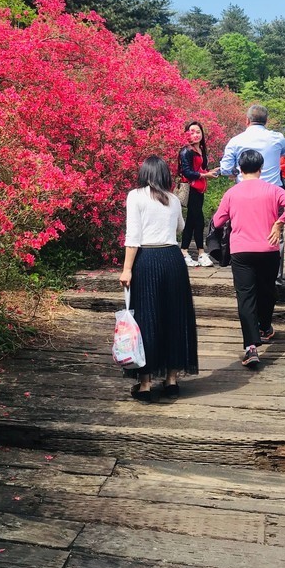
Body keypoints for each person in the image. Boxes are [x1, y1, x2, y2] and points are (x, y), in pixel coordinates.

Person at [212, 149, 285, 366]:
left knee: (246, 297)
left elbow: (217, 221)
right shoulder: (272, 190)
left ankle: (251, 347)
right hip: (269, 249)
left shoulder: (232, 193)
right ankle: (265, 327)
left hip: (241, 252)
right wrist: (280, 222)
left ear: (240, 169)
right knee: (267, 291)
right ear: (261, 168)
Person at [119, 155, 198, 401]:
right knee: (174, 317)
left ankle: (145, 384)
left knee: (146, 317)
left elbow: (133, 237)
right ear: (164, 176)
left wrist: (127, 269)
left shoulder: (136, 196)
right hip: (173, 260)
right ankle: (172, 380)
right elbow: (181, 228)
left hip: (147, 259)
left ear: (144, 174)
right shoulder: (173, 199)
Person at [219, 104, 285, 283]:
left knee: (244, 231)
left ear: (247, 120)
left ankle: (246, 273)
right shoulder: (277, 138)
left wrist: (237, 171)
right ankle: (275, 277)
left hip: (243, 194)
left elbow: (226, 169)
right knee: (276, 233)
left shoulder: (236, 141)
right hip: (274, 194)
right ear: (266, 121)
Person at [178, 121, 219, 268]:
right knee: (197, 221)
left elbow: (201, 169)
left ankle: (188, 251)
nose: (195, 135)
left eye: (198, 132)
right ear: (186, 134)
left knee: (193, 220)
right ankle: (197, 252)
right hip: (191, 189)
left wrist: (211, 172)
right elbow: (186, 172)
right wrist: (205, 175)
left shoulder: (200, 149)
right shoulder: (186, 151)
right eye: (191, 132)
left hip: (199, 189)